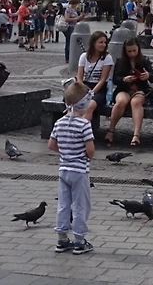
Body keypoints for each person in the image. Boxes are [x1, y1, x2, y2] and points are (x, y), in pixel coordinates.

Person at [49, 80, 96, 255]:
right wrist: (82, 155)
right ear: (84, 104)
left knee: (63, 204)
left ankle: (62, 239)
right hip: (79, 171)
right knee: (80, 206)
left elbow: (51, 145)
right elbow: (90, 151)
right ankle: (79, 241)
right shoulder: (84, 124)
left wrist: (66, 152)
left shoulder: (59, 122)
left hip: (64, 170)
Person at [105, 38, 153, 146]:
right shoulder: (121, 61)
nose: (132, 54)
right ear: (125, 51)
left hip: (140, 89)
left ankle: (136, 134)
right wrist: (124, 79)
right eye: (129, 51)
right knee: (121, 101)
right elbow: (115, 79)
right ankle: (111, 130)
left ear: (138, 49)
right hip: (123, 89)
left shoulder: (144, 60)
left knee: (136, 103)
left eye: (134, 51)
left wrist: (148, 75)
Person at [76, 32, 112, 121]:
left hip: (99, 88)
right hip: (85, 86)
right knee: (74, 103)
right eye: (100, 42)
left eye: (105, 42)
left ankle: (83, 127)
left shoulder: (107, 58)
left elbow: (102, 79)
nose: (103, 45)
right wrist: (82, 90)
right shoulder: (84, 56)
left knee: (90, 106)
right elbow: (79, 77)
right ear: (93, 43)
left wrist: (91, 93)